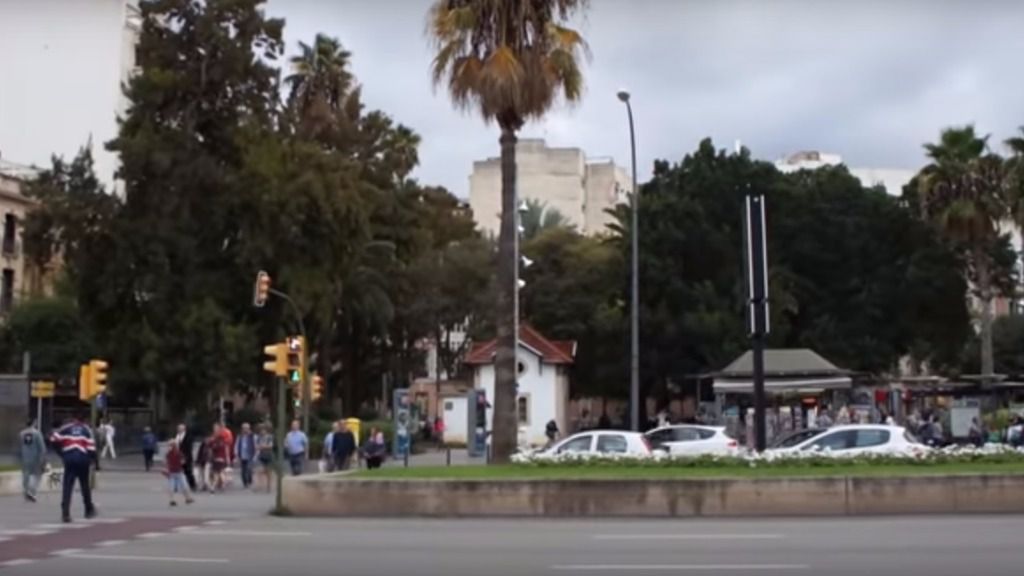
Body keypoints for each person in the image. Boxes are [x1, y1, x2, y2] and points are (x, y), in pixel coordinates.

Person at [50, 414, 97, 523]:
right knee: (84, 485)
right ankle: (88, 509)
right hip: (83, 459)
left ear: (73, 419)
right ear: (84, 420)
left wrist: (61, 453)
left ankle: (65, 513)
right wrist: (93, 461)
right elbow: (91, 447)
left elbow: (52, 439)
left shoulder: (65, 428)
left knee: (67, 486)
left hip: (69, 459)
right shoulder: (86, 429)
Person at [19, 419, 46, 502]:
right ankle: (32, 491)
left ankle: (26, 491)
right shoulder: (37, 433)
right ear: (34, 424)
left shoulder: (21, 434)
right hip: (36, 458)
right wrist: (43, 458)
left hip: (25, 457)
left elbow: (20, 446)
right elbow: (42, 447)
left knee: (26, 475)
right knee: (37, 475)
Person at [164, 440, 194, 506]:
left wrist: (167, 468)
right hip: (179, 472)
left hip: (171, 472)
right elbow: (183, 462)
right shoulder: (179, 453)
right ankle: (188, 498)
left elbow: (166, 462)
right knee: (184, 485)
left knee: (171, 487)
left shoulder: (168, 454)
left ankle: (172, 500)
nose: (168, 447)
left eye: (169, 445)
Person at [175, 424, 197, 491]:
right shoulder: (177, 436)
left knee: (188, 472)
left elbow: (189, 448)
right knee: (176, 472)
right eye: (178, 428)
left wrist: (184, 458)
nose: (178, 429)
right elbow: (176, 446)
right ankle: (175, 486)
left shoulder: (188, 437)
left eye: (180, 428)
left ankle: (193, 486)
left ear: (184, 429)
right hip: (177, 457)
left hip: (186, 457)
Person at [234, 422, 256, 489]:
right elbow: (236, 445)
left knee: (249, 468)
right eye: (244, 428)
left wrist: (255, 454)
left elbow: (255, 445)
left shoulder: (252, 436)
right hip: (242, 455)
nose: (245, 430)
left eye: (246, 428)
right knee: (243, 470)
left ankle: (249, 480)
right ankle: (245, 482)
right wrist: (236, 454)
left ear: (249, 429)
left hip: (250, 455)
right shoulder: (240, 436)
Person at [208, 424, 229, 492]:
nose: (215, 430)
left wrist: (227, 457)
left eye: (216, 428)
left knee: (217, 473)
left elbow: (217, 447)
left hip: (219, 457)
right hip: (216, 457)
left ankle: (213, 487)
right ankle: (222, 484)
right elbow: (210, 445)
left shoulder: (220, 438)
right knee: (219, 472)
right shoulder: (214, 438)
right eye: (214, 428)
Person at [256, 423, 274, 491]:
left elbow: (270, 446)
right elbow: (257, 446)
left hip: (268, 455)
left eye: (263, 430)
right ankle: (259, 485)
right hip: (261, 455)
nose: (262, 432)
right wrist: (261, 447)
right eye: (260, 430)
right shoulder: (259, 438)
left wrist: (262, 446)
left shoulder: (269, 437)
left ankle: (268, 486)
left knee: (268, 471)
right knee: (259, 470)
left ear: (266, 430)